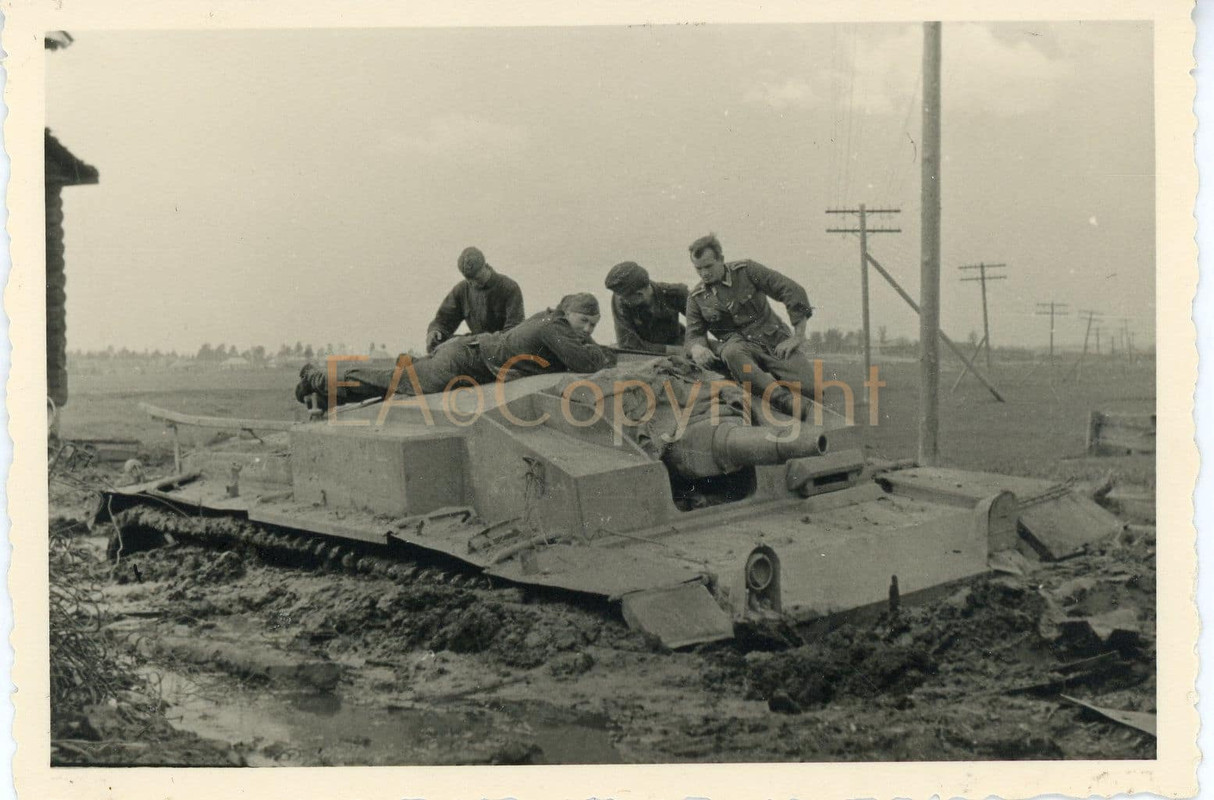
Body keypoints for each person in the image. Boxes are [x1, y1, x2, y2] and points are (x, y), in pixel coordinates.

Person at [296, 293, 615, 408]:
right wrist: (597, 350)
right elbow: (587, 364)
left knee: (401, 386)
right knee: (398, 382)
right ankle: (321, 378)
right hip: (463, 361)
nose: (587, 330)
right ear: (568, 312)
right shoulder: (553, 326)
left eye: (593, 326)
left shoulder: (552, 320)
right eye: (584, 322)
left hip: (470, 356)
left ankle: (325, 395)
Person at [684, 233, 816, 417]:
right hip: (739, 349)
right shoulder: (696, 298)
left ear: (721, 259)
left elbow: (791, 290)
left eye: (708, 266)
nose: (704, 273)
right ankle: (781, 400)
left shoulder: (746, 271)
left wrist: (798, 336)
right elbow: (693, 334)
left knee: (812, 390)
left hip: (774, 341)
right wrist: (697, 347)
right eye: (698, 268)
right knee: (731, 352)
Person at [425, 246, 525, 354]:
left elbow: (513, 332)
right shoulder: (462, 289)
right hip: (475, 348)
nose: (473, 284)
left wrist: (474, 341)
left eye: (477, 278)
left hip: (502, 350)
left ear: (485, 266)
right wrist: (436, 331)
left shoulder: (509, 287)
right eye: (469, 281)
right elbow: (443, 319)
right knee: (439, 345)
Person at [603, 261, 689, 354]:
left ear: (640, 294)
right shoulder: (620, 298)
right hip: (645, 354)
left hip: (678, 343)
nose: (621, 300)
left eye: (625, 298)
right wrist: (674, 351)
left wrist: (696, 345)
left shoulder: (675, 294)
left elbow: (703, 320)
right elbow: (628, 344)